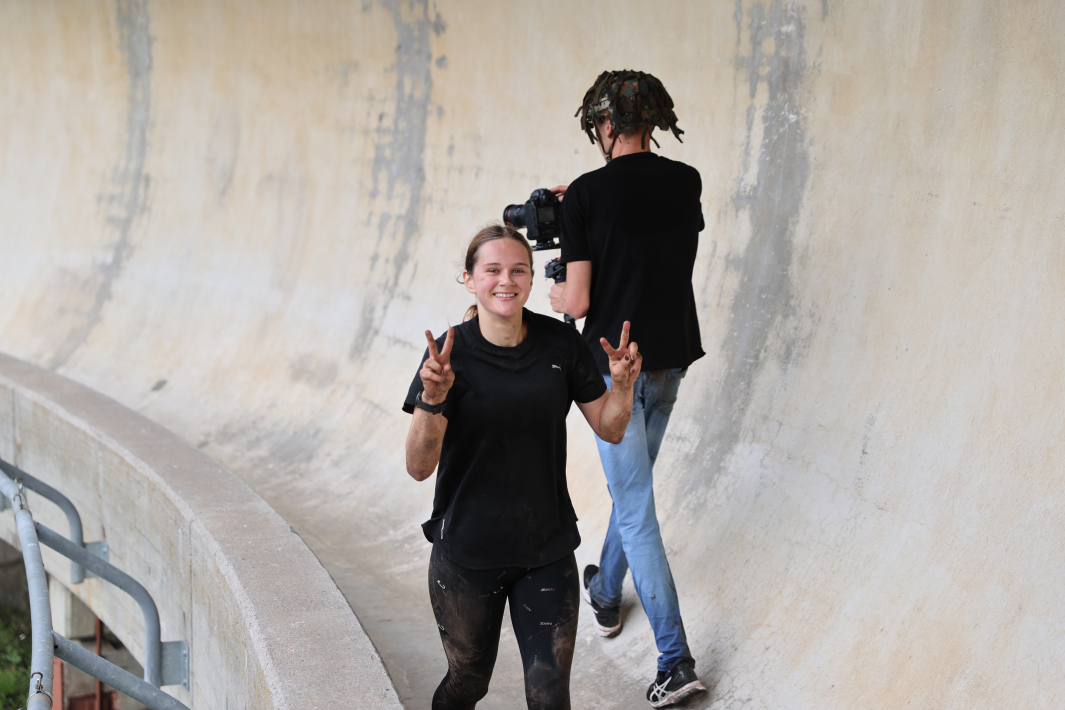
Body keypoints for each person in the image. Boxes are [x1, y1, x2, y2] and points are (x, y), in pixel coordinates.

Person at [403, 221, 644, 710]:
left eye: (518, 270)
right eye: (492, 270)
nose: (505, 280)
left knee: (549, 696)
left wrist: (622, 387)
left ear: (532, 279)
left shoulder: (560, 344)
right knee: (468, 683)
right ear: (469, 279)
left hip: (546, 549)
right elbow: (418, 467)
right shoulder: (448, 357)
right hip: (467, 553)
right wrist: (432, 399)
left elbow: (611, 428)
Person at [548, 70, 708, 708]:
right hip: (672, 357)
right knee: (633, 489)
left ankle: (675, 660)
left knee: (635, 505)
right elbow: (652, 243)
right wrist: (586, 210)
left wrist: (562, 274)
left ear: (607, 125)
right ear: (654, 121)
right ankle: (606, 592)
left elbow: (578, 300)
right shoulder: (687, 180)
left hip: (615, 370)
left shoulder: (586, 195)